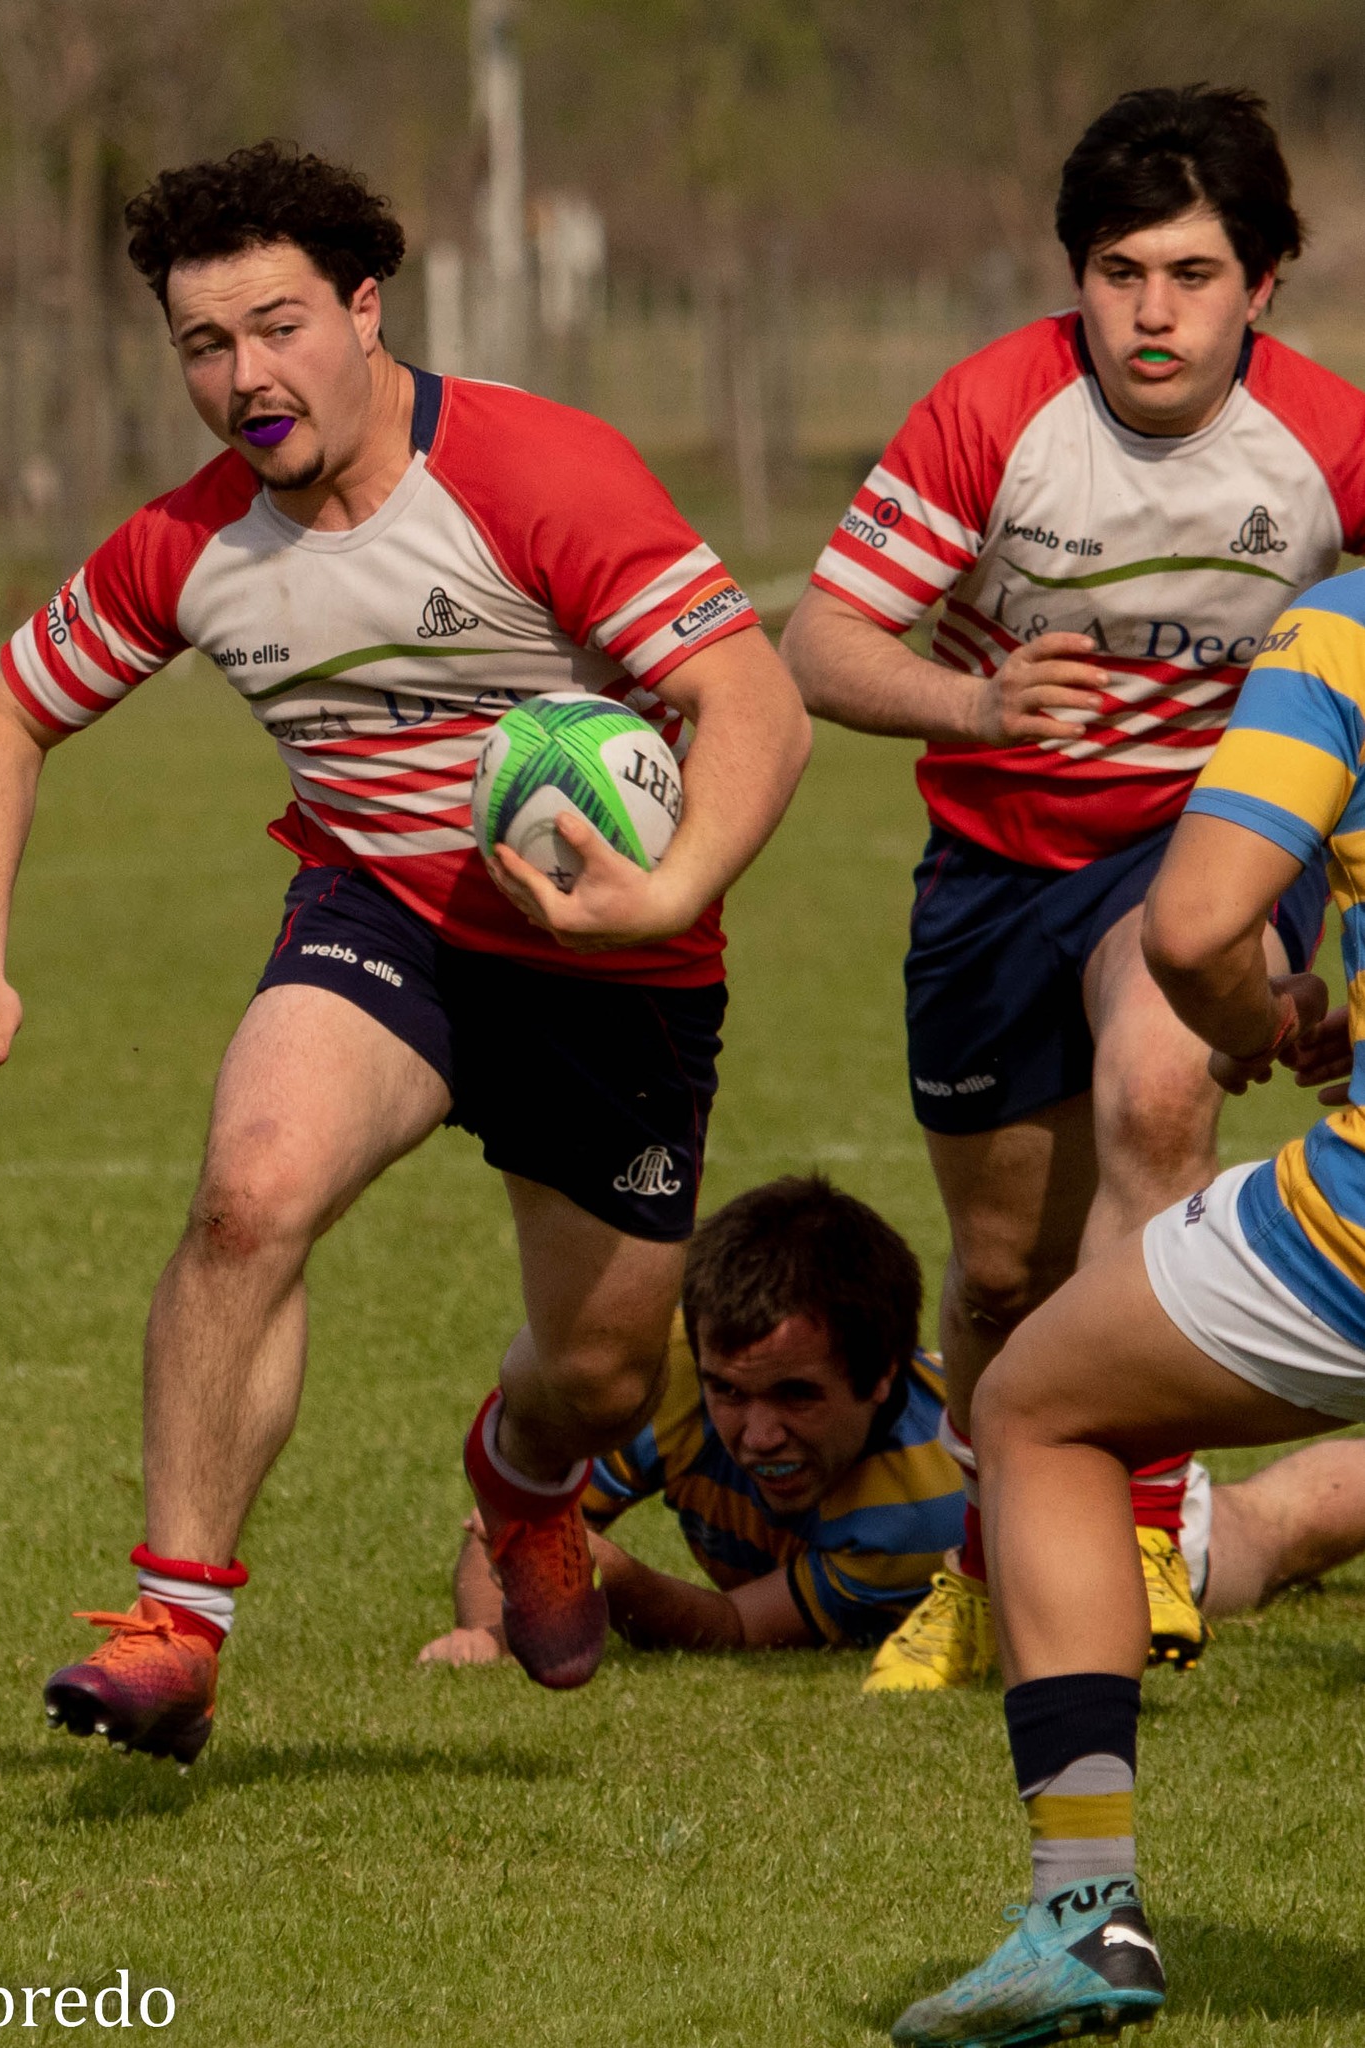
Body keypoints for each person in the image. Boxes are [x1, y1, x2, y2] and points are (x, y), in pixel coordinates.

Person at [0, 141, 810, 1763]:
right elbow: (2, 712)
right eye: (204, 343)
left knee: (605, 1372)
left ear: (366, 306)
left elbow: (753, 700)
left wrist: (666, 887)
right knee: (250, 1188)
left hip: (610, 960)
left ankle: (525, 1486)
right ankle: (175, 1624)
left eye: (277, 325)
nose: (245, 377)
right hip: (378, 912)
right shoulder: (195, 545)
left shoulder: (538, 472)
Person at [780, 84, 1365, 1692]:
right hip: (994, 865)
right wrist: (972, 705)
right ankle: (989, 1559)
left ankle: (1144, 1540)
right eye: (1118, 273)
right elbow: (817, 645)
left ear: (1261, 283)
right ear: (1074, 278)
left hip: (1202, 849)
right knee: (996, 1277)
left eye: (1190, 274)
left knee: (1161, 1082)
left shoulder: (1324, 439)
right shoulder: (994, 412)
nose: (1151, 313)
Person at [889, 566, 1365, 2046]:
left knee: (1035, 1401)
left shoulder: (1345, 624)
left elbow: (1193, 925)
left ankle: (1082, 1916)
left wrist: (1267, 1022)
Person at [418, 1175, 1365, 1672]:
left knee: (1270, 1529)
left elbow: (736, 1631)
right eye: (730, 1392)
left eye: (796, 1398)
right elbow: (518, 1505)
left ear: (881, 1380)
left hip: (1092, 1512)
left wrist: (612, 1576)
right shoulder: (665, 1372)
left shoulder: (917, 1505)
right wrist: (489, 1632)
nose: (753, 1433)